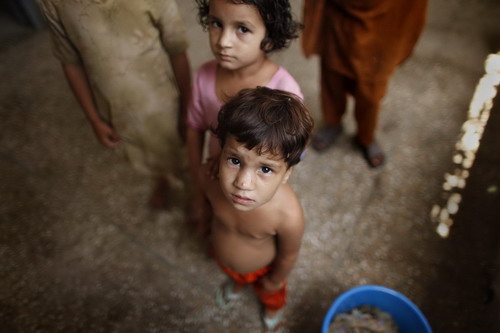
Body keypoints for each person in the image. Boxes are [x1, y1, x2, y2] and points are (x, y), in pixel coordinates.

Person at [37, 0, 191, 209]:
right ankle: (163, 178)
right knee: (144, 151)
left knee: (184, 150)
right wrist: (94, 119)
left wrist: (187, 106)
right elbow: (70, 62)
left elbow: (177, 49)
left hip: (163, 101)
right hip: (117, 109)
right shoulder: (55, 4)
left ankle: (198, 192)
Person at [200, 87, 314, 332]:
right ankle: (238, 283)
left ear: (286, 174)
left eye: (265, 169)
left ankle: (273, 307)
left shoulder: (287, 216)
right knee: (235, 275)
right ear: (220, 153)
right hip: (225, 258)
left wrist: (274, 280)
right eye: (235, 160)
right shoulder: (209, 178)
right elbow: (206, 207)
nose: (243, 183)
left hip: (264, 272)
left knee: (271, 294)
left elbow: (288, 255)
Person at [187, 0, 303, 234]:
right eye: (217, 23)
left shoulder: (285, 91)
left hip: (252, 180)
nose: (223, 42)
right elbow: (195, 127)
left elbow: (291, 152)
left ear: (269, 37)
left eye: (242, 29)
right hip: (215, 171)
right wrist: (198, 181)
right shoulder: (204, 76)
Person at [302, 0, 428, 168]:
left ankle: (366, 136)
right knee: (332, 75)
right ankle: (333, 122)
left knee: (371, 92)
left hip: (384, 25)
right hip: (339, 21)